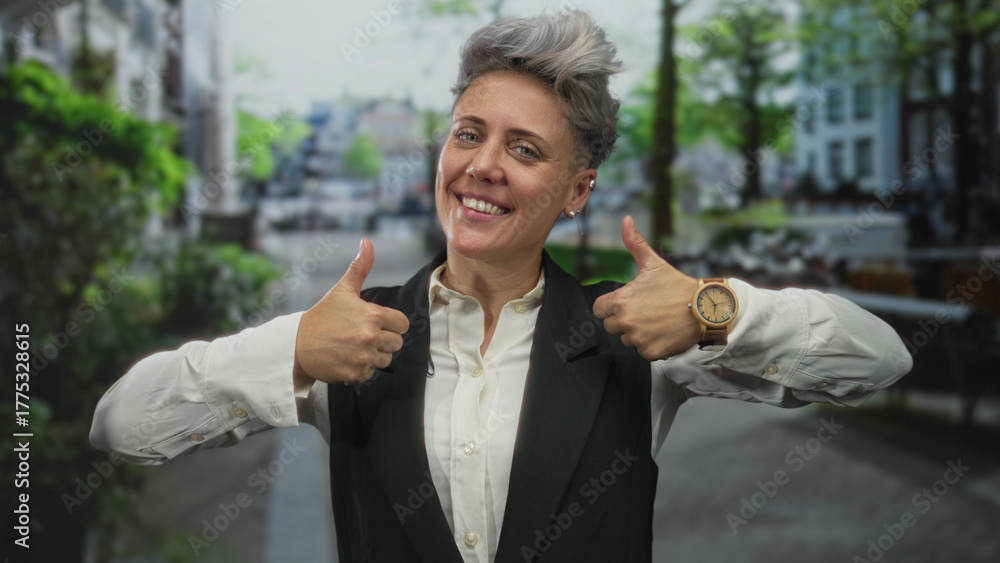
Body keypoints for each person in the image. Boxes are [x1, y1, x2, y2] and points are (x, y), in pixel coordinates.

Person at [91, 10, 912, 563]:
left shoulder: (633, 332)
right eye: (469, 134)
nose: (483, 165)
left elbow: (879, 359)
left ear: (577, 189)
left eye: (525, 149)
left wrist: (712, 308)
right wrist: (292, 347)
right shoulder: (348, 339)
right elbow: (121, 424)